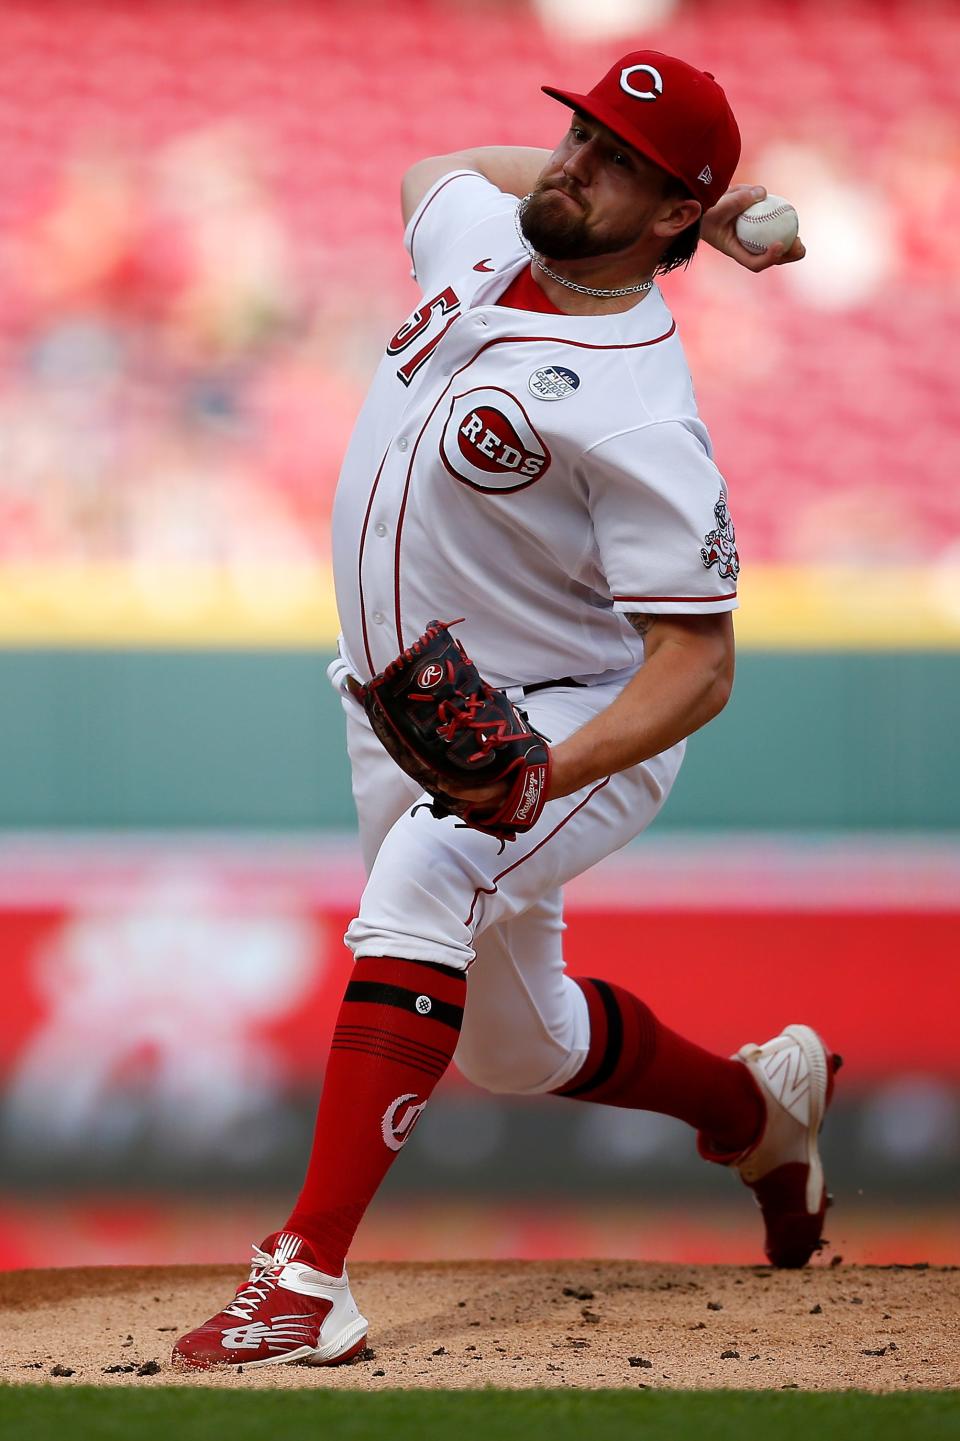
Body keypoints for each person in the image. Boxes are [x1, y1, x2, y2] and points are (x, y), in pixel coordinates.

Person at [173, 50, 837, 1372]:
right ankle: (757, 1110)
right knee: (514, 1046)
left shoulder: (644, 410)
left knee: (427, 879)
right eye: (579, 135)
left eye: (614, 161)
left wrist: (545, 769)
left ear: (662, 220)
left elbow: (698, 668)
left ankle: (303, 1278)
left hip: (570, 721)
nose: (575, 164)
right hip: (412, 716)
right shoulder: (489, 242)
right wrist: (682, 199)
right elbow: (439, 173)